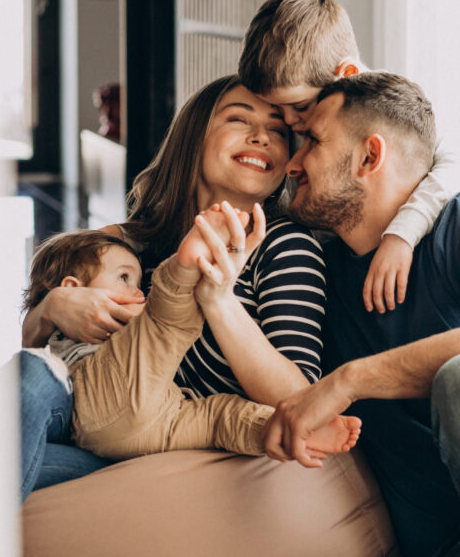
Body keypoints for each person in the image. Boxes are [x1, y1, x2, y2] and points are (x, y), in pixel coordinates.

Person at [19, 75, 330, 496]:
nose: (261, 138)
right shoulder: (132, 242)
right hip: (91, 435)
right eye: (240, 120)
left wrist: (219, 301)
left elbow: (298, 397)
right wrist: (52, 307)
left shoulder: (284, 244)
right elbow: (41, 352)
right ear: (194, 136)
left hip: (187, 452)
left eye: (277, 131)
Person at [262, 71, 460, 557]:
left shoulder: (458, 225)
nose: (291, 164)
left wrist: (348, 381)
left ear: (370, 157)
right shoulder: (312, 277)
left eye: (311, 140)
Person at [19, 213, 362, 503]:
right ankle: (183, 271)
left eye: (139, 280)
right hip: (97, 409)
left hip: (161, 417)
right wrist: (55, 305)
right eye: (125, 278)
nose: (138, 291)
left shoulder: (286, 243)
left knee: (220, 418)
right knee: (165, 320)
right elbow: (34, 349)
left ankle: (286, 431)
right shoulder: (140, 237)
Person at [238, 0, 460, 314]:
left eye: (299, 106)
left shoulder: (394, 112)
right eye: (278, 114)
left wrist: (400, 236)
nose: (291, 124)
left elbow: (454, 163)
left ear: (345, 74)